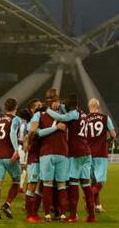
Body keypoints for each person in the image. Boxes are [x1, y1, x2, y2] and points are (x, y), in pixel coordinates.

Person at [45, 94, 96, 223]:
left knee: (73, 185)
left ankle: (73, 215)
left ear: (70, 106)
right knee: (86, 185)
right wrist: (57, 105)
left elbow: (61, 117)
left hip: (76, 154)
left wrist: (48, 110)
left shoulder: (73, 113)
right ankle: (91, 216)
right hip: (86, 152)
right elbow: (65, 110)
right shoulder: (82, 113)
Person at [33, 88, 69, 223]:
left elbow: (38, 132)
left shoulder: (39, 114)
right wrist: (56, 127)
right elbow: (37, 132)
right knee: (61, 185)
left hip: (47, 153)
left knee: (48, 184)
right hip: (60, 152)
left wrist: (60, 106)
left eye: (51, 98)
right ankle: (61, 214)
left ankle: (48, 214)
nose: (50, 101)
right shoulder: (65, 113)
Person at [0, 98, 22, 220]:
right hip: (9, 155)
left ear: (5, 107)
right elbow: (12, 133)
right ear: (16, 106)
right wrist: (16, 149)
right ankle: (7, 204)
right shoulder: (16, 119)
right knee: (17, 181)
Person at [86, 97, 116, 214]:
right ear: (98, 107)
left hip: (87, 153)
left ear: (89, 107)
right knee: (101, 182)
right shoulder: (105, 118)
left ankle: (96, 206)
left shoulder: (85, 118)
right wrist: (108, 141)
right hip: (101, 152)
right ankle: (88, 197)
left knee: (93, 181)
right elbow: (113, 134)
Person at [23, 99, 44, 223]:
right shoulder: (31, 123)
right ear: (32, 109)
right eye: (38, 106)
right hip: (34, 157)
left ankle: (34, 214)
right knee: (32, 184)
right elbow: (26, 143)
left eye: (41, 105)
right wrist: (28, 142)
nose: (41, 106)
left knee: (39, 187)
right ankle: (30, 215)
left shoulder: (40, 120)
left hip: (41, 157)